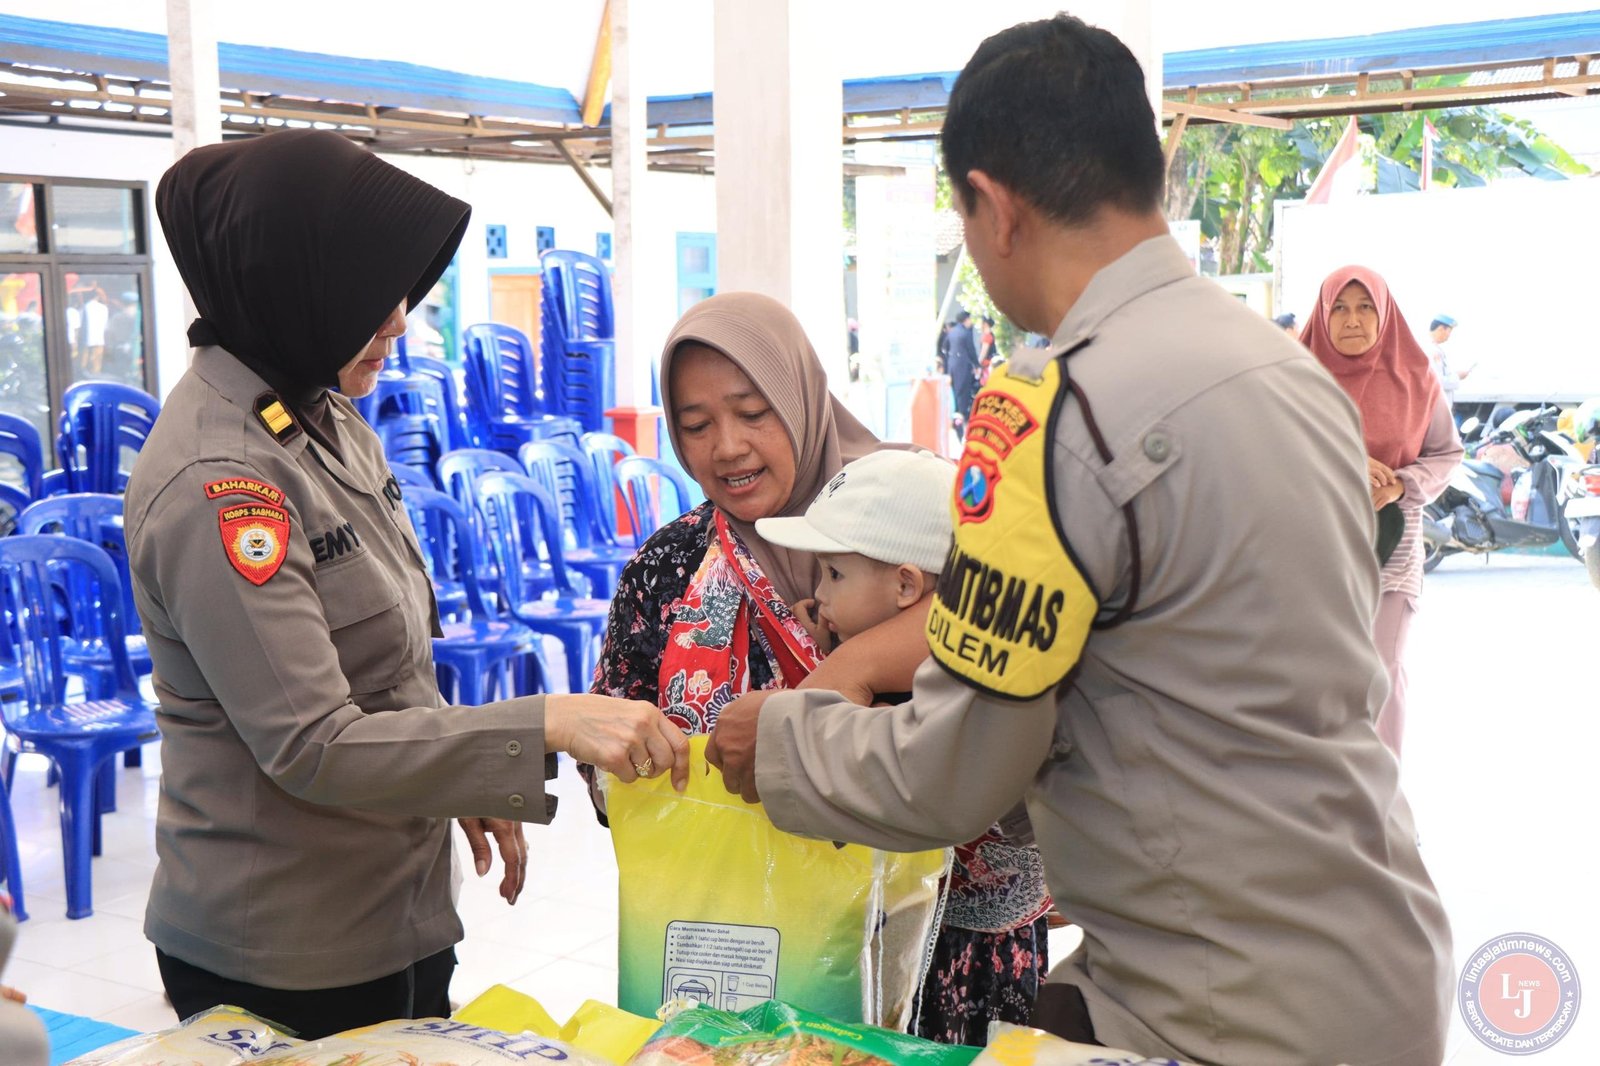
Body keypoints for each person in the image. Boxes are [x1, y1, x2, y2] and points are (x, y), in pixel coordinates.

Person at [705, 16, 1452, 1065]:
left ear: (995, 206)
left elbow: (949, 771)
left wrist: (782, 740)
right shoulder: (1292, 376)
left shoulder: (1057, 417)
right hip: (1380, 958)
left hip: (1223, 1009)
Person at [126, 129, 686, 1038]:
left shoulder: (320, 415)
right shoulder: (221, 483)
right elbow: (313, 744)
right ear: (291, 283)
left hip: (391, 912)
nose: (398, 322)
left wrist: (459, 778)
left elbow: (384, 667)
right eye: (371, 292)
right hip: (288, 954)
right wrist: (543, 721)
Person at [755, 450, 1051, 1046]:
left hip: (965, 959)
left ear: (906, 585)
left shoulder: (943, 692)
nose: (819, 595)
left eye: (834, 575)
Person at [589, 292, 911, 734]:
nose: (728, 448)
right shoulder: (664, 569)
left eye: (753, 413)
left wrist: (839, 684)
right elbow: (607, 745)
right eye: (696, 426)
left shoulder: (909, 520)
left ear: (800, 402)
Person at [1301, 270, 1463, 757]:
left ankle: (1383, 792)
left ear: (1385, 314)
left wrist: (1398, 484)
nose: (1352, 319)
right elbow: (1264, 451)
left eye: (1365, 307)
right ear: (1322, 314)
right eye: (1339, 307)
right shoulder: (1294, 379)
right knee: (1314, 678)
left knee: (1382, 671)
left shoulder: (1416, 379)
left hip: (1390, 550)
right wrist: (1346, 460)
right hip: (1309, 554)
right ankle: (1323, 789)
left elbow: (1446, 455)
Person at [1426, 313, 1470, 418]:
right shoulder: (1431, 350)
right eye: (1449, 331)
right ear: (1441, 329)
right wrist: (1458, 376)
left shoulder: (1434, 348)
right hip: (1435, 408)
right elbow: (1437, 381)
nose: (1449, 336)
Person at [945, 311, 981, 434]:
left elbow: (945, 348)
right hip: (963, 366)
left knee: (955, 392)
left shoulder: (951, 332)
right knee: (964, 392)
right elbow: (971, 350)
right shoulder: (965, 333)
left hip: (952, 366)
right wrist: (977, 365)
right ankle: (961, 419)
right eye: (970, 319)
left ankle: (955, 418)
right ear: (966, 320)